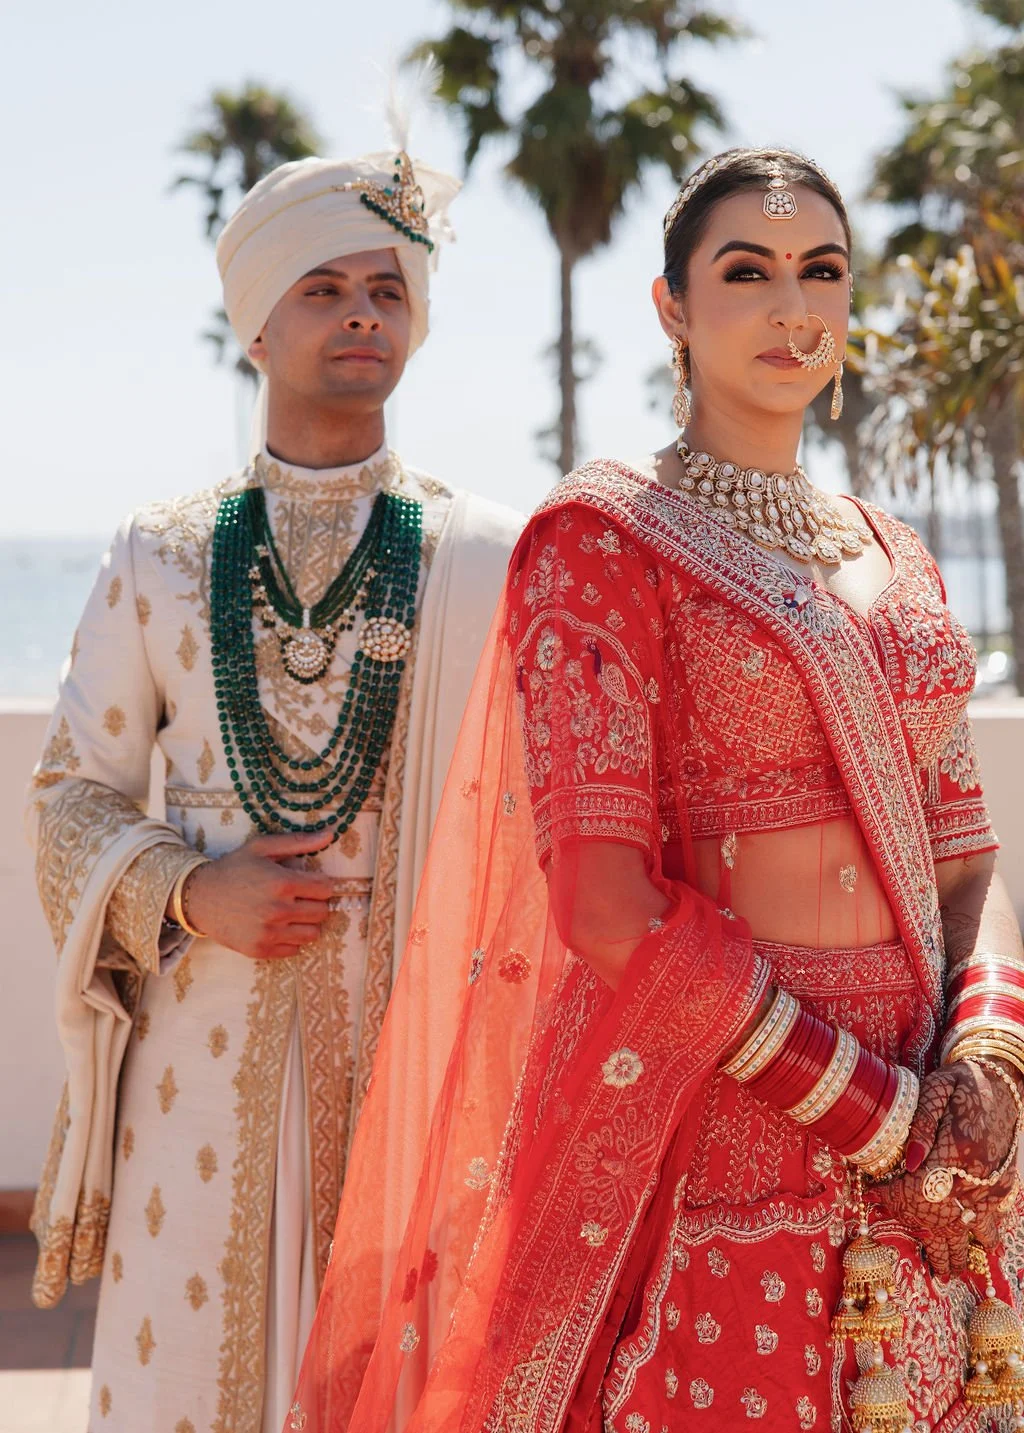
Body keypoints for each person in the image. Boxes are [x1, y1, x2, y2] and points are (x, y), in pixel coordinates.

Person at [288, 148, 1024, 1432]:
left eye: (822, 271)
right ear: (671, 309)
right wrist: (870, 1108)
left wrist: (987, 1055)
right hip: (725, 1110)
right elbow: (605, 904)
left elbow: (966, 854)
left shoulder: (898, 557)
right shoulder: (602, 542)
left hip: (930, 1128)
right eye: (746, 272)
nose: (793, 306)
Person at [26, 145, 522, 1433]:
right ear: (253, 322)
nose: (363, 311)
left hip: (421, 1061)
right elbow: (70, 793)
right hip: (203, 1056)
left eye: (387, 288)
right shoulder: (160, 551)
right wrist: (195, 890)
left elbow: (541, 814)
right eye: (323, 287)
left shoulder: (487, 552)